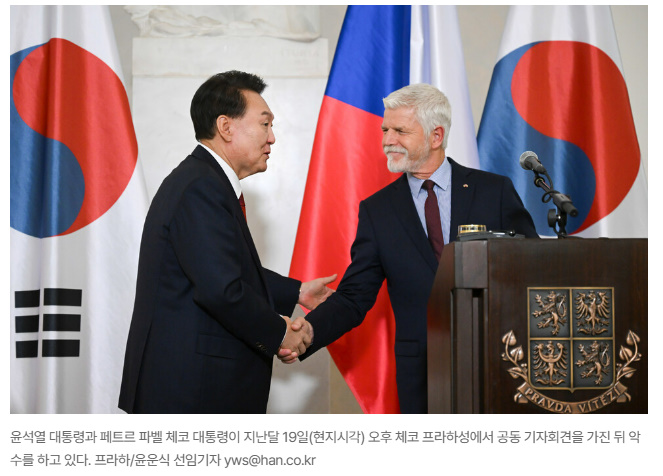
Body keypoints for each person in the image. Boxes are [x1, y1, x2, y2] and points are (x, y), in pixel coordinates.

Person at [280, 83, 538, 413]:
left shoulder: (494, 191)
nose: (388, 140)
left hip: (502, 361)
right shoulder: (378, 210)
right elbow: (355, 296)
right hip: (423, 376)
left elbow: (533, 270)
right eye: (385, 130)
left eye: (400, 131)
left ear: (436, 135)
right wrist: (310, 331)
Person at [119, 70, 335, 413]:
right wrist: (280, 331)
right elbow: (222, 290)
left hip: (194, 386)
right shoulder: (201, 188)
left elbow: (221, 270)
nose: (272, 137)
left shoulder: (204, 181)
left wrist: (297, 292)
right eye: (264, 124)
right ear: (226, 126)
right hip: (190, 393)